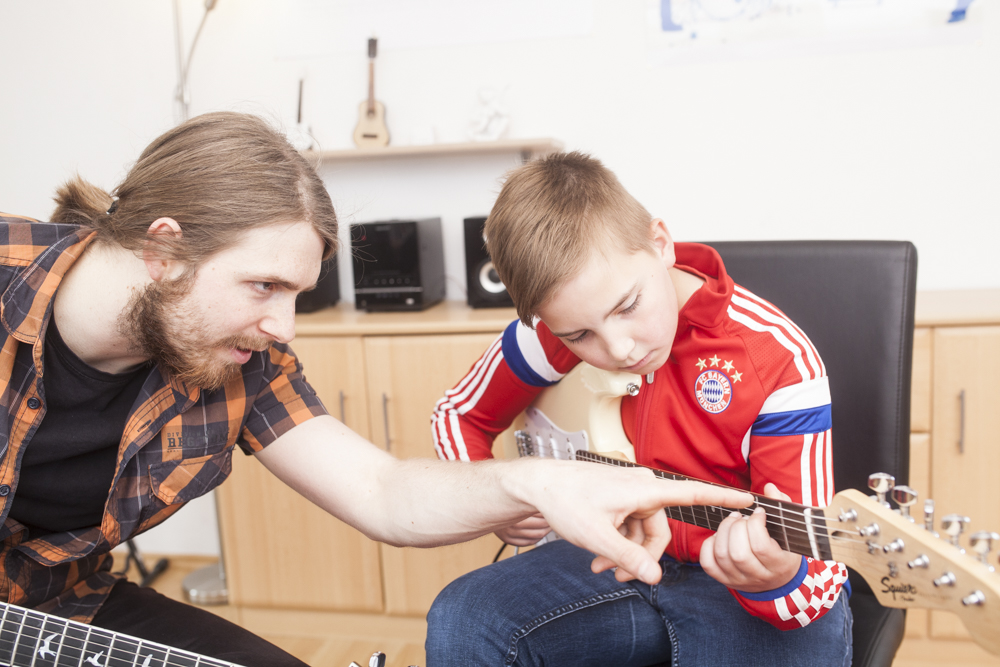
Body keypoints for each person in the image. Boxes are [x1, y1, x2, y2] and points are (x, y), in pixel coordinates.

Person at [0, 113, 752, 667]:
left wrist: (540, 481)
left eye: (296, 292)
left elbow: (386, 493)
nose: (283, 325)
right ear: (164, 250)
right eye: (263, 285)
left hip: (57, 604)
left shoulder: (242, 365)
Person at [427, 152, 852, 666]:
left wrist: (777, 576)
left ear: (661, 243)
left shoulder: (776, 359)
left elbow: (817, 585)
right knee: (463, 619)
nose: (620, 349)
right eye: (581, 335)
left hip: (730, 583)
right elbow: (458, 414)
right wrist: (494, 491)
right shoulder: (549, 335)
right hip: (604, 555)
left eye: (627, 306)